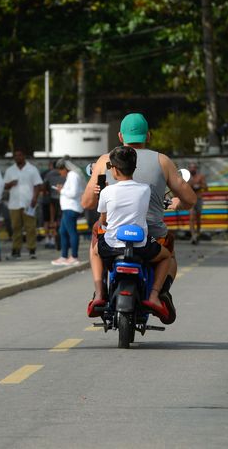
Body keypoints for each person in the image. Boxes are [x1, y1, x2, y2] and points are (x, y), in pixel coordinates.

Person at [81, 112, 196, 323]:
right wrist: (179, 203)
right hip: (148, 235)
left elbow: (87, 203)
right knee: (168, 251)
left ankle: (99, 293)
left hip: (113, 235)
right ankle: (159, 293)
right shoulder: (162, 161)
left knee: (96, 237)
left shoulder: (106, 160)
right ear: (148, 137)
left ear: (120, 136)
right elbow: (190, 198)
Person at [96, 147, 173, 318]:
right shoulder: (145, 189)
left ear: (114, 169)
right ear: (134, 168)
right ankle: (154, 295)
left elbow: (103, 221)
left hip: (112, 246)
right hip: (140, 246)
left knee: (94, 252)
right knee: (166, 256)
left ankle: (99, 294)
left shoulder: (107, 191)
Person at [4, 149, 43, 259]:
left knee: (30, 227)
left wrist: (35, 198)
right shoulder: (10, 170)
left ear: (24, 156)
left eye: (19, 155)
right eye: (15, 156)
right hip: (14, 204)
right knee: (16, 227)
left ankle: (32, 250)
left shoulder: (32, 169)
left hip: (28, 203)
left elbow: (37, 185)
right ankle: (16, 250)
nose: (17, 157)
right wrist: (11, 183)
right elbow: (5, 186)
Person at [51, 159, 83, 266]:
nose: (60, 173)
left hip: (71, 208)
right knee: (63, 232)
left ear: (65, 168)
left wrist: (62, 191)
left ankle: (74, 256)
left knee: (71, 232)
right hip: (68, 208)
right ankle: (64, 256)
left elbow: (73, 193)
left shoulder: (73, 175)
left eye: (60, 171)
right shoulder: (71, 176)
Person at [42, 161, 64, 249]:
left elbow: (44, 187)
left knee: (49, 221)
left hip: (50, 200)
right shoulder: (65, 173)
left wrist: (46, 193)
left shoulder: (48, 174)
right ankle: (58, 239)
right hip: (62, 200)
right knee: (60, 220)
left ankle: (49, 239)